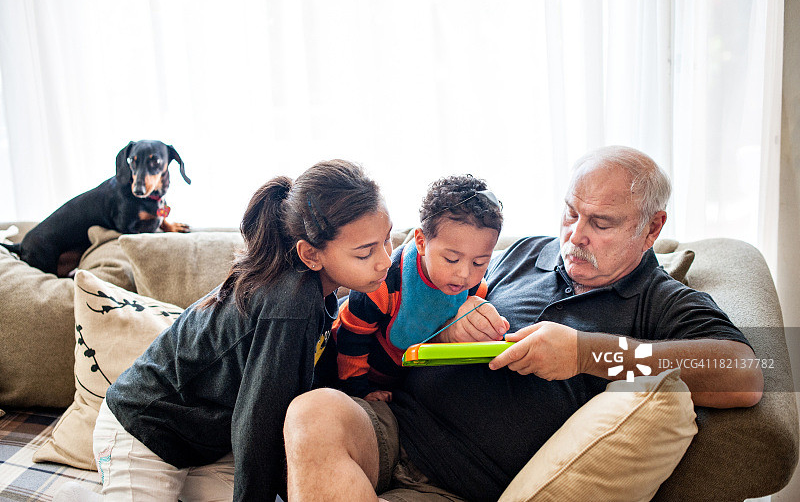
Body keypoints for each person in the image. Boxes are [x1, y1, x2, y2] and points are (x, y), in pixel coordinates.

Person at [283, 146, 764, 502]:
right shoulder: (528, 253)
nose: (575, 235)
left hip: (468, 482)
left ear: (652, 229)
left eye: (601, 223)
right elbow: (428, 299)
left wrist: (583, 353)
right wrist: (449, 328)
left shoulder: (661, 302)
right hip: (393, 427)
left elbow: (743, 372)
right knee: (312, 412)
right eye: (572, 212)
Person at [92, 160, 393, 501]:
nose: (385, 260)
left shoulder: (319, 294)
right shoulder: (289, 302)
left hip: (204, 448)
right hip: (144, 431)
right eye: (367, 252)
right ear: (310, 255)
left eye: (386, 241)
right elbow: (259, 422)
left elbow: (311, 385)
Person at [334, 175, 504, 401]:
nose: (464, 274)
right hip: (348, 373)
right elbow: (349, 339)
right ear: (422, 243)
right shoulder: (382, 284)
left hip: (401, 380)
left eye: (479, 263)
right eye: (452, 259)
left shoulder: (474, 291)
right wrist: (359, 392)